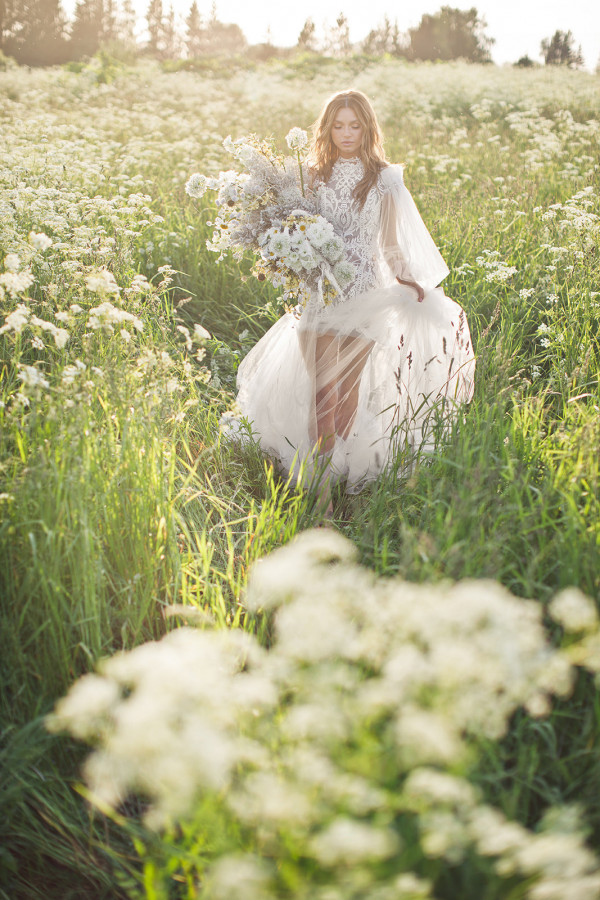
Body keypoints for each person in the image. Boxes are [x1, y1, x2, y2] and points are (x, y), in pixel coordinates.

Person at [223, 89, 475, 519]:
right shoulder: (310, 174)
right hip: (320, 294)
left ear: (367, 128)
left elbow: (390, 243)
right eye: (337, 125)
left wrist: (409, 279)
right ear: (327, 128)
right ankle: (319, 494)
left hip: (366, 294)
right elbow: (292, 225)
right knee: (322, 391)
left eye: (354, 125)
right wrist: (285, 256)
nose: (345, 133)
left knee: (345, 397)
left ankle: (333, 477)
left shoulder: (385, 178)